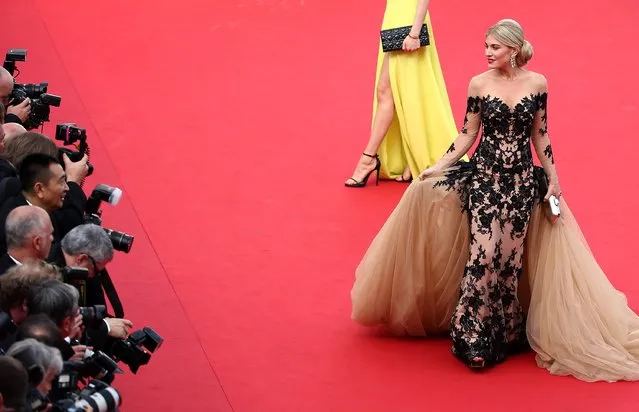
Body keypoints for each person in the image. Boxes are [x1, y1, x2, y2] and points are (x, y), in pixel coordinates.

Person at [351, 19, 639, 382]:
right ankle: (470, 332)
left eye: (495, 48)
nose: (488, 53)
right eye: (486, 46)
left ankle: (505, 331)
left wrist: (554, 176)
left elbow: (540, 133)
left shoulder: (537, 84)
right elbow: (468, 133)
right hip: (486, 182)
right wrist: (437, 166)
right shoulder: (479, 83)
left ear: (513, 50)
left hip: (520, 184)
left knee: (508, 260)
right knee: (484, 256)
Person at [345, 0, 461, 187]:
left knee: (399, 92)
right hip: (396, 21)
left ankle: (368, 159)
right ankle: (409, 159)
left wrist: (414, 33)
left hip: (409, 26)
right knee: (397, 92)